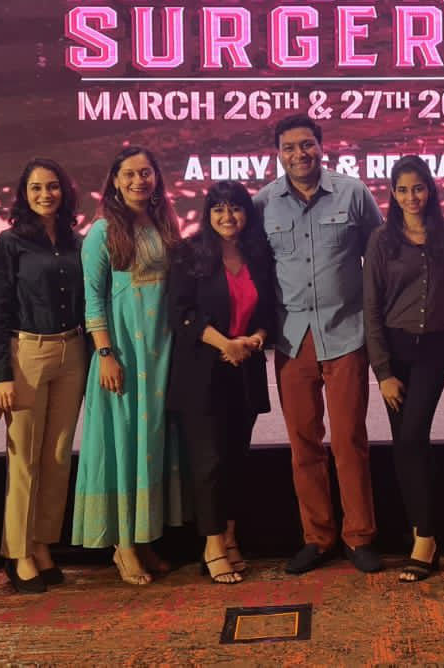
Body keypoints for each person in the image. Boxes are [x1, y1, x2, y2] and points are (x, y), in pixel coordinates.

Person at [253, 115, 385, 574]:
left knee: (349, 440)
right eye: (289, 147)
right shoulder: (263, 204)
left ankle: (360, 537)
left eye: (307, 144)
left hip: (346, 334)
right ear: (278, 153)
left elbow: (380, 256)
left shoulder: (353, 193)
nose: (299, 154)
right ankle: (318, 537)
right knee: (303, 444)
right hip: (292, 341)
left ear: (322, 146)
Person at [71, 146, 186, 584]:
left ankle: (144, 536)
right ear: (115, 181)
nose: (140, 180)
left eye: (146, 173)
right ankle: (123, 546)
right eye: (130, 174)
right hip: (123, 354)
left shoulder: (164, 224)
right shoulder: (102, 232)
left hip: (160, 353)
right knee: (124, 444)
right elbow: (93, 300)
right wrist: (105, 354)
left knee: (151, 444)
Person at [166, 181, 275, 585]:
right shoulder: (189, 253)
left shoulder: (258, 255)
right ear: (208, 214)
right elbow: (181, 314)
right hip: (202, 373)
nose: (228, 217)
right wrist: (224, 343)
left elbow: (268, 312)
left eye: (236, 209)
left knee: (234, 460)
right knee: (209, 461)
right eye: (219, 209)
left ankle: (229, 538)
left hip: (243, 371)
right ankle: (211, 546)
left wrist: (256, 338)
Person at [0, 158, 86, 594]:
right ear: (24, 195)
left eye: (52, 186)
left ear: (64, 191)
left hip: (73, 351)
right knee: (24, 458)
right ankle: (18, 552)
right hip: (26, 353)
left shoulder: (76, 241)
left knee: (58, 456)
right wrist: (0, 375)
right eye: (36, 188)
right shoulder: (10, 243)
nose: (46, 194)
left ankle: (42, 544)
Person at [363, 156, 444, 582]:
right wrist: (383, 372)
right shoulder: (381, 239)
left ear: (430, 189)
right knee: (405, 443)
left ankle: (425, 537)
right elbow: (371, 307)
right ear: (392, 193)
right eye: (402, 189)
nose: (411, 197)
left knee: (413, 434)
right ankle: (424, 534)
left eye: (417, 188)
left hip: (434, 351)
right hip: (396, 351)